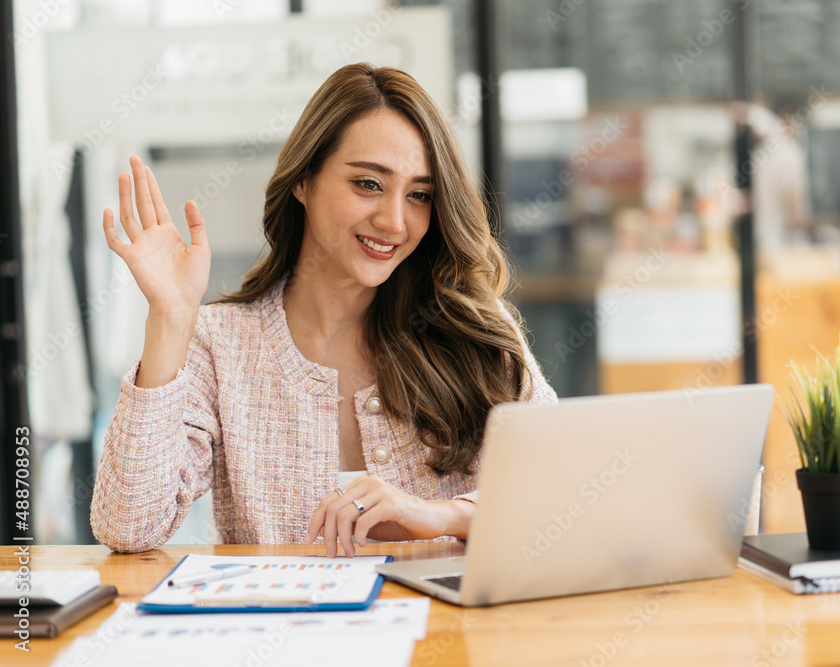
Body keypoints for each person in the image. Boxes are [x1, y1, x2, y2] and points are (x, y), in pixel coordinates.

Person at [90, 63, 557, 556]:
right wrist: (170, 318)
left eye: (419, 195)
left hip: (448, 632)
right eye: (368, 184)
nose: (395, 221)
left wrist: (440, 516)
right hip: (282, 630)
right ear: (303, 181)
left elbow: (566, 491)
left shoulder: (471, 330)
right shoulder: (221, 343)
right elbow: (128, 525)